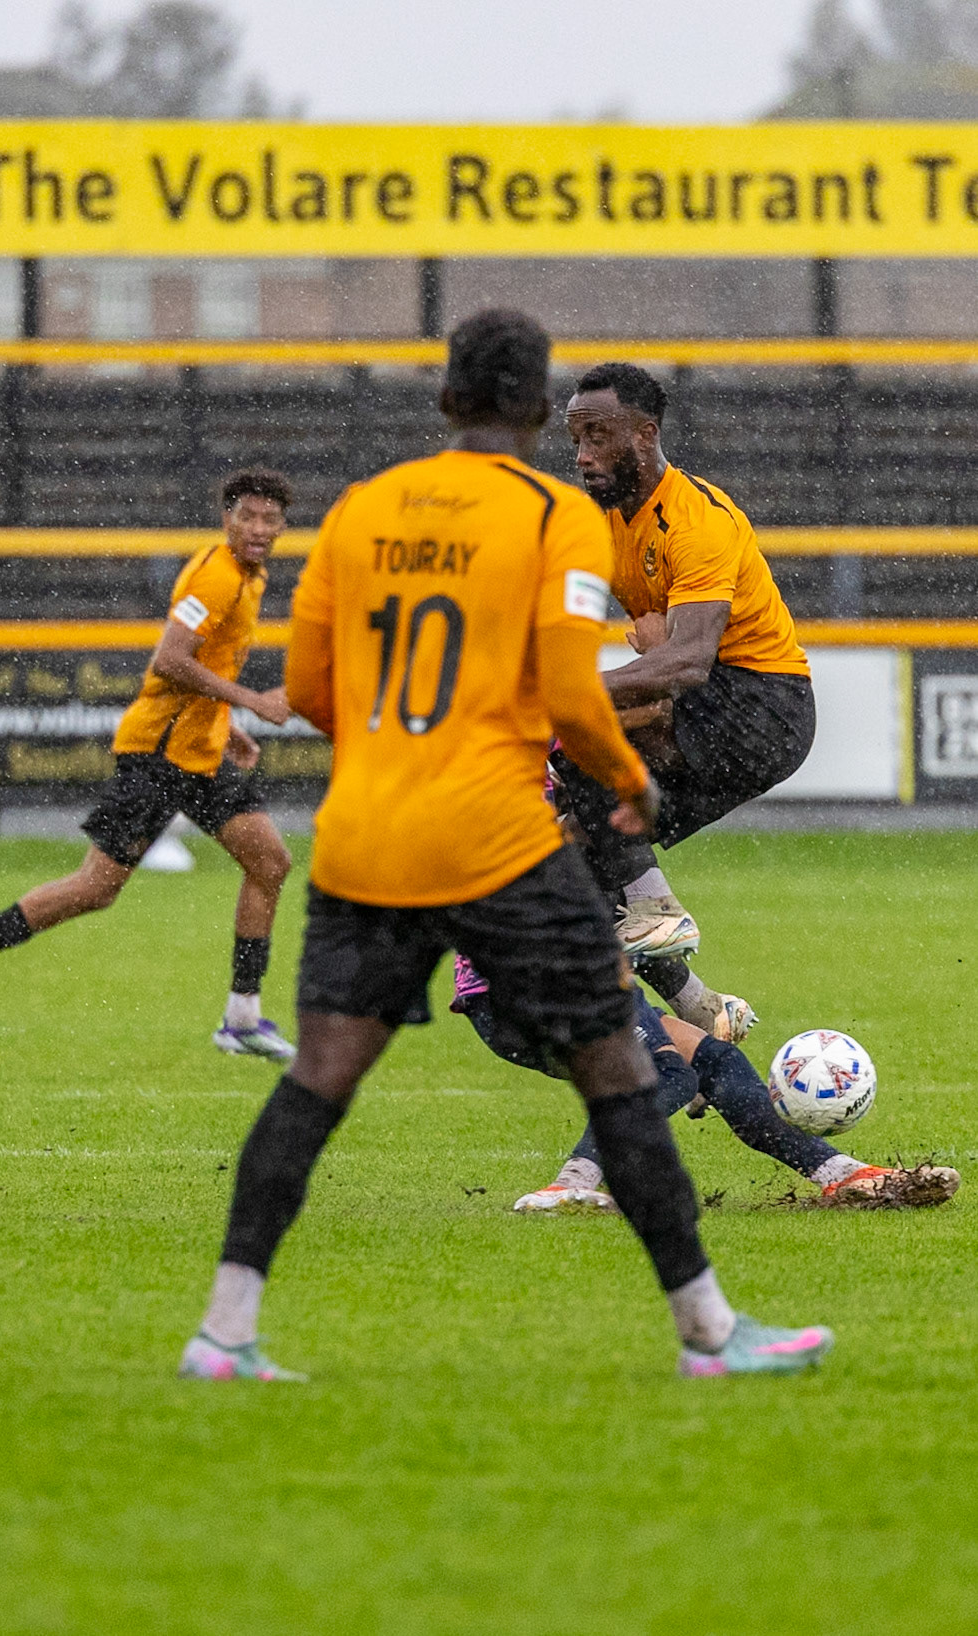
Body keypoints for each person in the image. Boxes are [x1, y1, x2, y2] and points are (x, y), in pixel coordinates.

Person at [179, 309, 832, 1384]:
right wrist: (625, 788)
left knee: (317, 1078)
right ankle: (709, 1334)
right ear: (537, 411)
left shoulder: (360, 510)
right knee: (620, 1072)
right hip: (497, 837)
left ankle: (223, 1331)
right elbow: (574, 697)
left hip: (369, 834)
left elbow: (303, 693)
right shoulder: (554, 519)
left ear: (444, 400)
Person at [0, 467, 298, 1063]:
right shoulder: (218, 576)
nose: (258, 527)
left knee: (269, 862)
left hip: (196, 754)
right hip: (156, 757)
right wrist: (251, 701)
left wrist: (228, 728)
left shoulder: (253, 576)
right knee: (95, 889)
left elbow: (202, 669)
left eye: (270, 518)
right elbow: (169, 661)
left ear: (282, 527)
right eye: (247, 516)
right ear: (227, 519)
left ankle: (241, 1017)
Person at [557, 362, 816, 1039]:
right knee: (575, 858)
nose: (582, 455)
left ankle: (655, 912)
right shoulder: (600, 525)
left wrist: (567, 689)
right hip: (712, 703)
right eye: (575, 439)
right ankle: (701, 1016)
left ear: (644, 434)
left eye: (597, 437)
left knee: (583, 746)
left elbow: (690, 659)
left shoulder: (696, 519)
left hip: (761, 707)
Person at [451, 957, 961, 1212]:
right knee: (672, 1074)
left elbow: (628, 923)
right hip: (541, 985)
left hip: (522, 1000)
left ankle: (841, 1174)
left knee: (715, 1063)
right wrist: (695, 997)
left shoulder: (570, 799)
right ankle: (568, 1187)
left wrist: (697, 1002)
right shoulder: (582, 802)